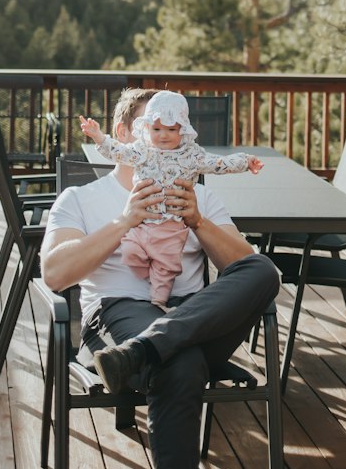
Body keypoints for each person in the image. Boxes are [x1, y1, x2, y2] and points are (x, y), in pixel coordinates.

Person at [42, 87, 280, 469]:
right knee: (182, 363)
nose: (168, 137)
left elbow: (246, 268)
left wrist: (197, 221)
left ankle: (148, 351)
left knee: (263, 268)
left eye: (176, 128)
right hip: (120, 314)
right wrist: (125, 220)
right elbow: (56, 273)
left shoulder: (200, 194)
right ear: (126, 136)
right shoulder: (81, 199)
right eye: (155, 126)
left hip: (195, 318)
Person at [78, 89, 264, 308]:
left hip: (171, 225)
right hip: (142, 222)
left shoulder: (191, 156)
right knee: (130, 251)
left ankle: (158, 301)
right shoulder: (142, 151)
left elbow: (219, 164)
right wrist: (98, 136)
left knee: (165, 268)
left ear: (182, 131)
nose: (163, 135)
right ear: (146, 129)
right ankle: (147, 284)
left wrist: (245, 161)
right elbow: (117, 151)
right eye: (156, 129)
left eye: (170, 129)